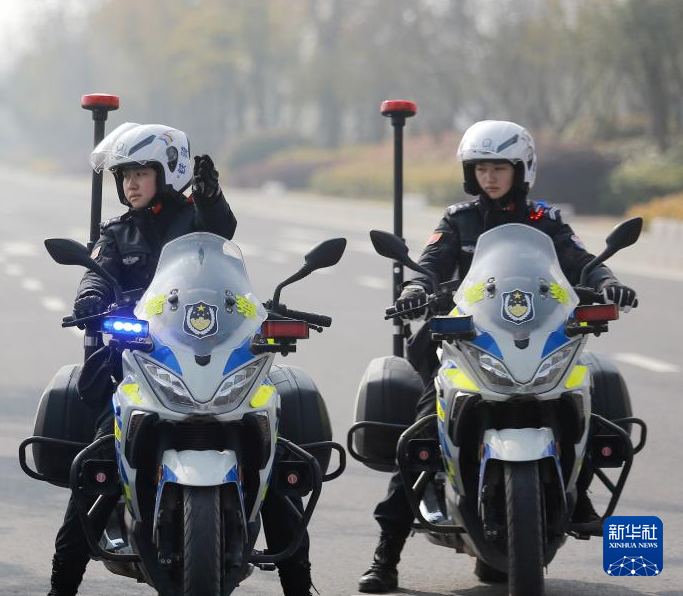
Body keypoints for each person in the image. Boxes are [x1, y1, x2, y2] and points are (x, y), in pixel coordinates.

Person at [358, 120, 640, 594]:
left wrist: (608, 282)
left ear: (521, 169)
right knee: (424, 431)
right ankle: (386, 555)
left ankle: (579, 493)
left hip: (539, 337)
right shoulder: (458, 220)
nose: (489, 177)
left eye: (499, 168)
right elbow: (430, 265)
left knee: (583, 400)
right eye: (481, 168)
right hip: (470, 342)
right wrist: (414, 289)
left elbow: (581, 261)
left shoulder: (546, 220)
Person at [46, 123, 317, 596]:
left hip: (210, 355)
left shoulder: (197, 219)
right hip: (144, 358)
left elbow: (222, 235)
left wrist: (211, 197)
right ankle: (60, 586)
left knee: (274, 466)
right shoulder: (116, 233)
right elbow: (96, 273)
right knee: (98, 466)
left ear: (168, 172)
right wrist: (90, 298)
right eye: (125, 175)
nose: (130, 183)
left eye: (140, 173)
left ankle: (300, 587)